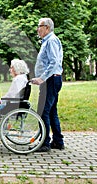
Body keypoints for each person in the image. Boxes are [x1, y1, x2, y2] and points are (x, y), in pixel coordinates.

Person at [32, 18, 65, 152]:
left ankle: (45, 143)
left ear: (47, 27)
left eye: (39, 26)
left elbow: (54, 62)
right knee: (52, 112)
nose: (37, 29)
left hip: (51, 80)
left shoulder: (51, 40)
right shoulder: (47, 41)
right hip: (51, 80)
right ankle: (58, 141)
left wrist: (42, 78)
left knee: (43, 111)